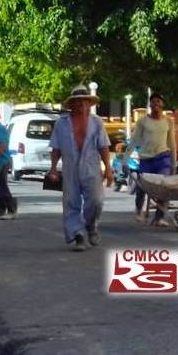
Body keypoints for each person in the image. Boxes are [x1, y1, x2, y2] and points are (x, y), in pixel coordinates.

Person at [49, 85, 113, 251]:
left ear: (88, 103)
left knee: (96, 201)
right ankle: (78, 235)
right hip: (70, 165)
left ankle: (91, 226)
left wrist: (108, 168)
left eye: (83, 102)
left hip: (91, 165)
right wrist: (54, 168)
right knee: (71, 202)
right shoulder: (61, 124)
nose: (80, 105)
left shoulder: (96, 122)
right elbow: (55, 148)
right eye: (76, 102)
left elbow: (104, 146)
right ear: (71, 104)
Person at [127, 93, 177, 225]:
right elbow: (134, 141)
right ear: (150, 104)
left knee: (163, 186)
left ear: (162, 104)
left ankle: (159, 217)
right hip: (146, 158)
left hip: (163, 157)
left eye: (158, 101)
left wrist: (174, 162)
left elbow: (172, 143)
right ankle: (139, 210)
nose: (156, 104)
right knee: (142, 186)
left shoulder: (168, 121)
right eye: (153, 101)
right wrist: (125, 159)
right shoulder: (143, 122)